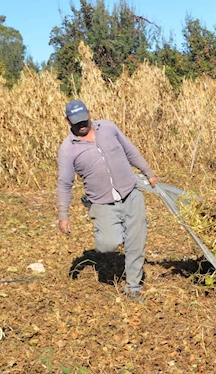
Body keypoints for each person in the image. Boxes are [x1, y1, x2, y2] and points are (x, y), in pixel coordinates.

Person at [56, 100, 159, 300]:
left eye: (84, 120)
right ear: (67, 121)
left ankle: (133, 288)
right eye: (76, 122)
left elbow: (130, 151)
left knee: (136, 242)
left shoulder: (109, 128)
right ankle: (107, 223)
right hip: (102, 202)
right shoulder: (68, 149)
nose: (82, 125)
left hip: (130, 193)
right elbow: (64, 183)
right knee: (108, 245)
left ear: (90, 113)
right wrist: (63, 215)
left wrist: (148, 172)